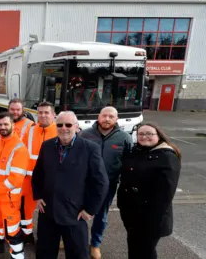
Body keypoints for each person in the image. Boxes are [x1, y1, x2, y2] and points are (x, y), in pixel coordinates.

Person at [32, 111, 109, 259]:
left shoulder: (90, 148)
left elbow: (101, 182)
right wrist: (37, 195)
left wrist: (90, 209)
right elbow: (38, 174)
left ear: (76, 126)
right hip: (48, 212)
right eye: (60, 125)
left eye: (68, 125)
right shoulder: (47, 146)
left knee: (77, 254)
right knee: (44, 253)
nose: (64, 128)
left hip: (75, 214)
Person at [117, 123, 181, 259]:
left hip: (151, 219)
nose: (144, 137)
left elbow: (165, 195)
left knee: (145, 251)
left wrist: (151, 221)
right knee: (134, 249)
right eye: (141, 134)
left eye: (149, 134)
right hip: (132, 215)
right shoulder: (137, 151)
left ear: (158, 135)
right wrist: (122, 205)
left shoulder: (167, 157)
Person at [79, 106, 133, 258]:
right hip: (84, 182)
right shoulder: (85, 134)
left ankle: (95, 244)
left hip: (107, 185)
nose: (107, 119)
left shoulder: (124, 138)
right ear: (99, 117)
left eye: (111, 116)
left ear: (116, 119)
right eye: (104, 116)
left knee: (101, 216)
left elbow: (128, 163)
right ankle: (71, 236)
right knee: (75, 211)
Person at [0, 112, 29, 259]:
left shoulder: (19, 149)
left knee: (12, 231)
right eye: (0, 124)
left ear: (13, 126)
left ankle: (17, 255)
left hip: (9, 199)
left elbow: (15, 180)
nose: (2, 127)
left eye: (5, 124)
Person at [21, 101, 57, 244]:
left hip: (51, 180)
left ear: (53, 115)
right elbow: (22, 152)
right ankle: (27, 234)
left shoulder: (60, 130)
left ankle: (48, 240)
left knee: (49, 211)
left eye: (46, 112)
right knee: (26, 209)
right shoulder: (30, 130)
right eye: (40, 113)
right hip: (30, 178)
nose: (42, 115)